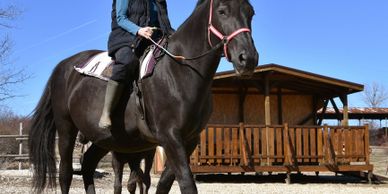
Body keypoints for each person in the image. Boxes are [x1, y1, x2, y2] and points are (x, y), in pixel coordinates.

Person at [99, 0, 174, 129]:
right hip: (126, 38)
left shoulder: (159, 1)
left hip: (152, 40)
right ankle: (106, 112)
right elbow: (121, 18)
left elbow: (165, 25)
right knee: (127, 62)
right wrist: (138, 30)